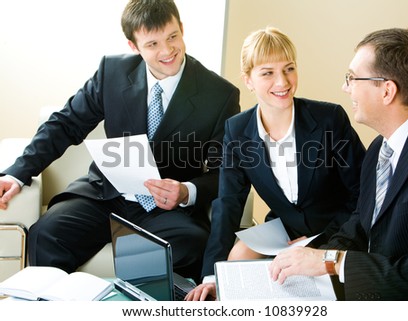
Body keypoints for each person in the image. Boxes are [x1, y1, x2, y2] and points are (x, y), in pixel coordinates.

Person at [0, 0, 240, 283]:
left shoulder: (219, 94)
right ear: (133, 46)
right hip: (106, 195)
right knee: (46, 233)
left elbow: (226, 171)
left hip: (167, 210)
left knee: (190, 245)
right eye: (152, 44)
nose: (167, 51)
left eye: (173, 37)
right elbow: (64, 124)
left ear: (182, 29)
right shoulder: (111, 72)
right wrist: (17, 174)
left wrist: (186, 191)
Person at [269, 27, 408, 300]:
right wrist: (310, 258)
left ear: (387, 91)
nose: (345, 87)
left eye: (352, 78)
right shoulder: (380, 148)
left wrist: (332, 262)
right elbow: (361, 225)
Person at [185, 27, 366, 300]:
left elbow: (363, 193)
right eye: (267, 73)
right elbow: (228, 204)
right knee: (235, 261)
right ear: (248, 80)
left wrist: (320, 242)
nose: (282, 82)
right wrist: (211, 276)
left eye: (289, 69)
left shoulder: (330, 119)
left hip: (335, 227)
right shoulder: (237, 130)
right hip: (286, 226)